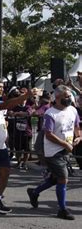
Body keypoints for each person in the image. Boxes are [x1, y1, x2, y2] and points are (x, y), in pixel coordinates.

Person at [27, 85, 81, 220]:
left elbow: (76, 126)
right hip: (53, 151)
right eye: (66, 97)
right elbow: (48, 134)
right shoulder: (50, 114)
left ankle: (34, 192)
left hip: (66, 149)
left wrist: (78, 136)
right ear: (57, 98)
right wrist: (64, 144)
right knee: (63, 178)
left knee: (55, 179)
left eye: (70, 96)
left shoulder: (72, 110)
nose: (69, 99)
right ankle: (62, 209)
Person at [0, 77, 32, 214]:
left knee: (5, 171)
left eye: (3, 86)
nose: (2, 89)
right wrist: (25, 96)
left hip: (0, 145)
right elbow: (3, 106)